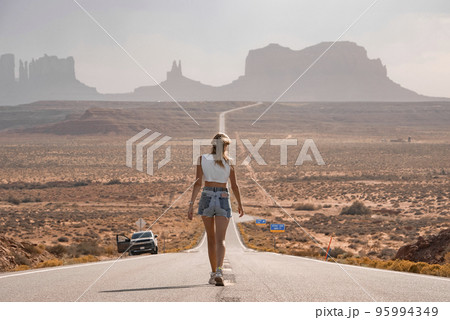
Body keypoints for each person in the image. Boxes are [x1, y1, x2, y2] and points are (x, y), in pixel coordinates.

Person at [187, 132, 244, 286]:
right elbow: (234, 185)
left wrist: (191, 204)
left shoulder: (202, 159)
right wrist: (240, 204)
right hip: (223, 198)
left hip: (206, 197)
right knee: (221, 240)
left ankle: (213, 273)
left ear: (213, 145)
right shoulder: (229, 162)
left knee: (211, 239)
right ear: (225, 146)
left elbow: (197, 183)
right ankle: (219, 270)